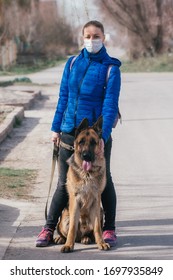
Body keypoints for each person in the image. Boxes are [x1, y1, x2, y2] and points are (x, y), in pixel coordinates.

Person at [36, 20, 121, 248]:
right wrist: (56, 128)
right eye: (88, 36)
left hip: (95, 137)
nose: (91, 40)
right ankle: (49, 228)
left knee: (104, 182)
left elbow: (110, 105)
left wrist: (102, 138)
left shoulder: (111, 68)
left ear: (104, 38)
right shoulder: (72, 63)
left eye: (96, 36)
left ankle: (109, 228)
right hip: (69, 132)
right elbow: (63, 96)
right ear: (82, 38)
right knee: (65, 185)